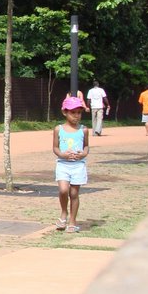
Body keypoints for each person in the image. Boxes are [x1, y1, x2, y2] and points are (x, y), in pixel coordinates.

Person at [54, 96, 89, 233]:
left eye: (79, 113)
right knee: (63, 190)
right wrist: (62, 154)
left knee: (74, 193)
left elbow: (86, 147)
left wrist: (83, 154)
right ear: (65, 112)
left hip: (78, 166)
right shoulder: (58, 129)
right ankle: (64, 213)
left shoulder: (83, 129)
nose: (76, 116)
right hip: (63, 164)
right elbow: (55, 148)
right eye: (73, 112)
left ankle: (72, 221)